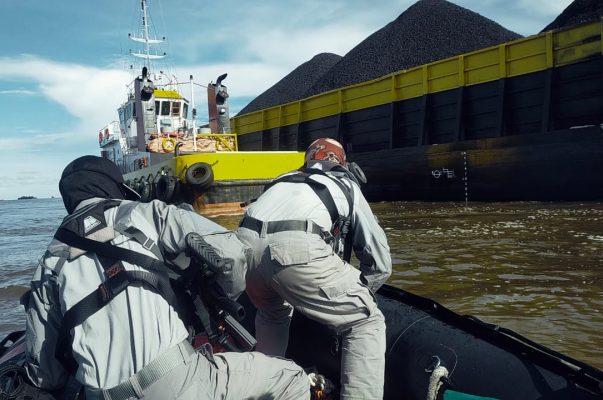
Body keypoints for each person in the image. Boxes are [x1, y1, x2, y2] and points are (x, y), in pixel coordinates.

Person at [23, 155, 309, 400]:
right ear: (114, 186)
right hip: (176, 381)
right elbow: (230, 253)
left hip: (104, 395)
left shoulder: (48, 264)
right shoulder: (149, 213)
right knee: (291, 377)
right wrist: (227, 296)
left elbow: (46, 374)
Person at [236, 138, 392, 400]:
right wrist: (359, 295)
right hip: (293, 247)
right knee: (366, 321)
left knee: (272, 313)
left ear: (308, 160)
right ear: (342, 163)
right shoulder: (346, 184)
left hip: (243, 248)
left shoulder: (282, 179)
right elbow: (380, 261)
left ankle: (263, 390)